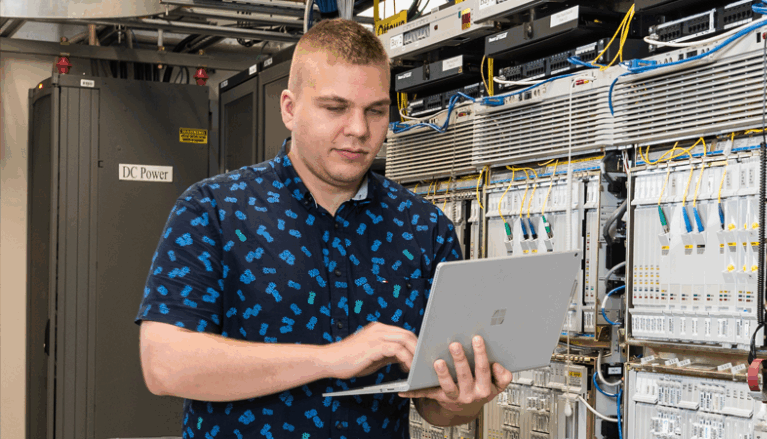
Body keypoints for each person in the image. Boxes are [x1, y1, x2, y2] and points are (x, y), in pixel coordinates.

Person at [136, 18, 512, 438]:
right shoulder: (214, 210)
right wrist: (331, 359)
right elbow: (164, 366)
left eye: (376, 111)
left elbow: (433, 407)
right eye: (336, 108)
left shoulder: (424, 228)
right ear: (289, 108)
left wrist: (464, 400)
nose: (358, 130)